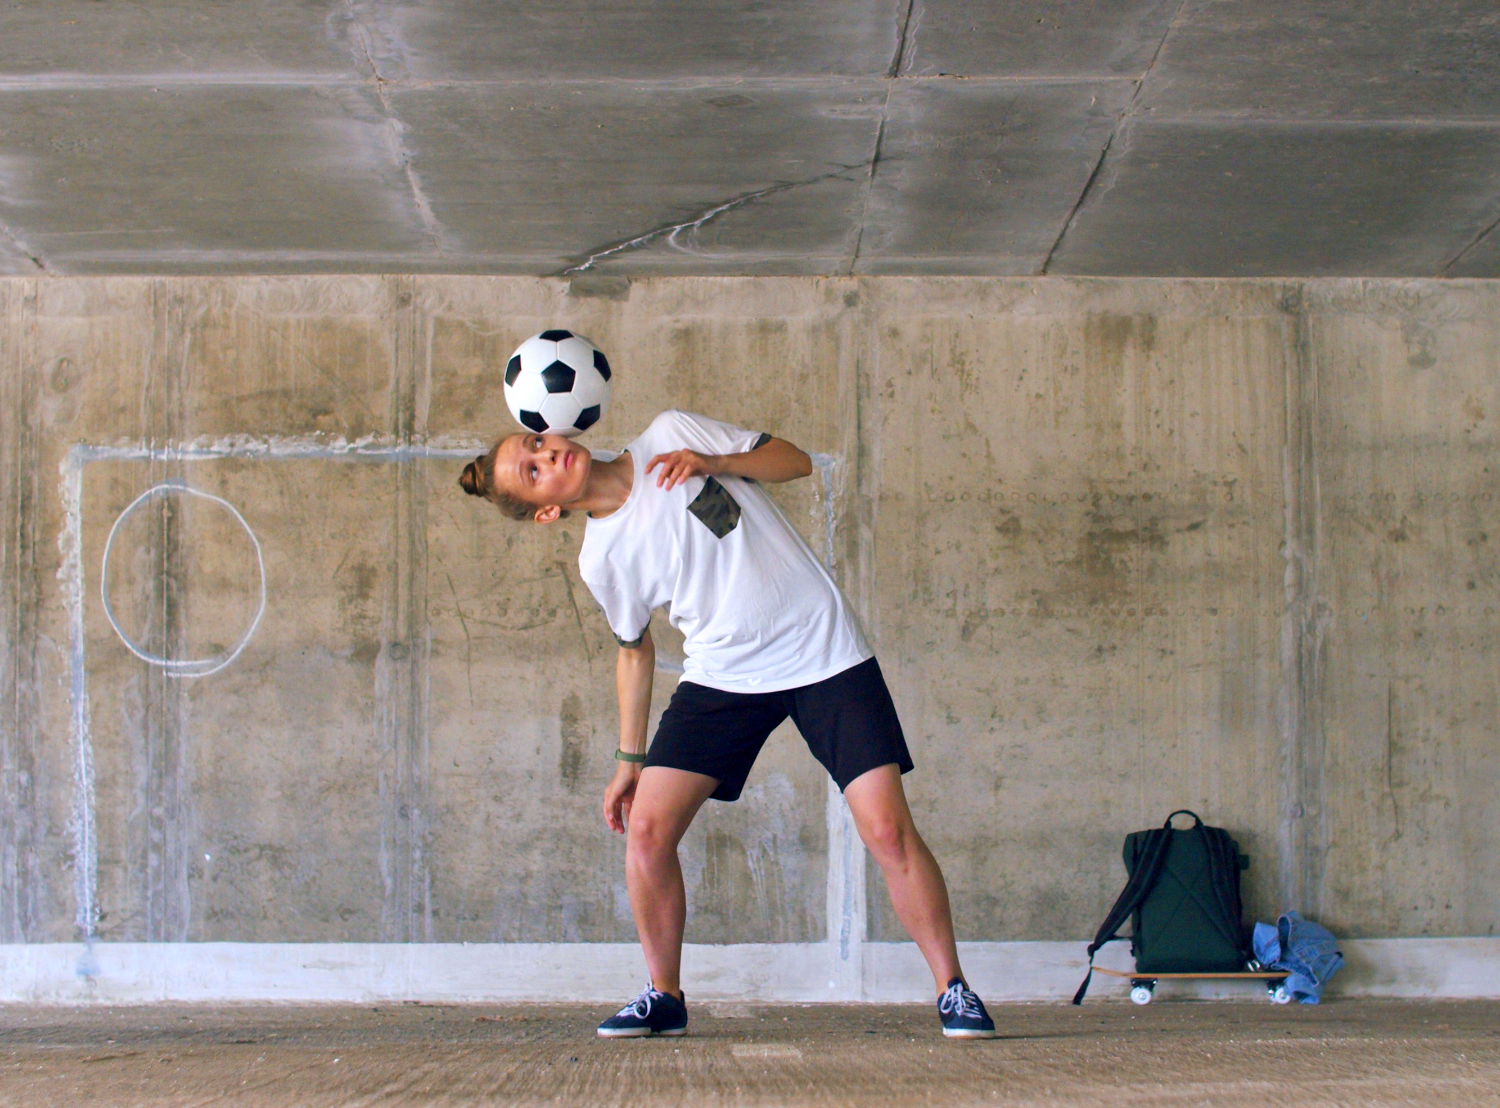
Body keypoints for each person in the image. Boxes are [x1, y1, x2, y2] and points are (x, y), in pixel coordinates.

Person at [459, 409, 995, 1040]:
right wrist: (629, 761)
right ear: (545, 511)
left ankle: (952, 988)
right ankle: (664, 997)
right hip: (724, 674)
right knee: (648, 831)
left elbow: (793, 461)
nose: (547, 457)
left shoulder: (669, 434)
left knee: (885, 828)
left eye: (538, 444)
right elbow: (634, 650)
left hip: (822, 650)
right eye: (533, 470)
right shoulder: (602, 560)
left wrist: (715, 463)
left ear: (558, 431)